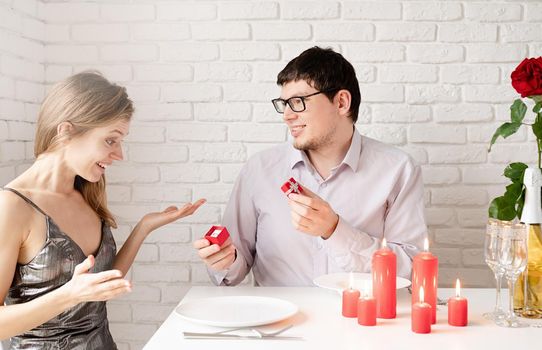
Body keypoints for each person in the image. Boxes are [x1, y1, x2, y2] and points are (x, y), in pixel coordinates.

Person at [0, 72, 205, 349]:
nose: (119, 154)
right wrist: (68, 295)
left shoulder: (85, 194)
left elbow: (101, 287)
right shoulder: (13, 206)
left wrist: (144, 227)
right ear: (66, 131)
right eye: (111, 140)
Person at [193, 46, 426, 286]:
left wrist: (335, 230)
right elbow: (232, 271)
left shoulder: (398, 170)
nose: (287, 115)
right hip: (280, 321)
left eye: (298, 102)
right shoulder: (259, 170)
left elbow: (411, 270)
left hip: (358, 320)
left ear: (342, 102)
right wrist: (226, 260)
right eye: (284, 104)